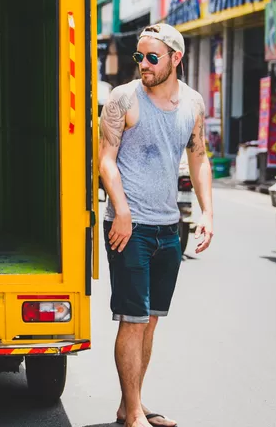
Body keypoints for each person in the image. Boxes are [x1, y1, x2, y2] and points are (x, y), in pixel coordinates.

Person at [98, 24, 214, 427]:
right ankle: (133, 415)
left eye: (152, 58)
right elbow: (106, 161)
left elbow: (199, 158)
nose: (143, 65)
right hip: (129, 227)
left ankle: (131, 402)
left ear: (175, 59)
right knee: (132, 320)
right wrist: (122, 210)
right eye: (138, 57)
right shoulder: (122, 99)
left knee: (150, 320)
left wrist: (207, 213)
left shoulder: (193, 104)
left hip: (170, 228)